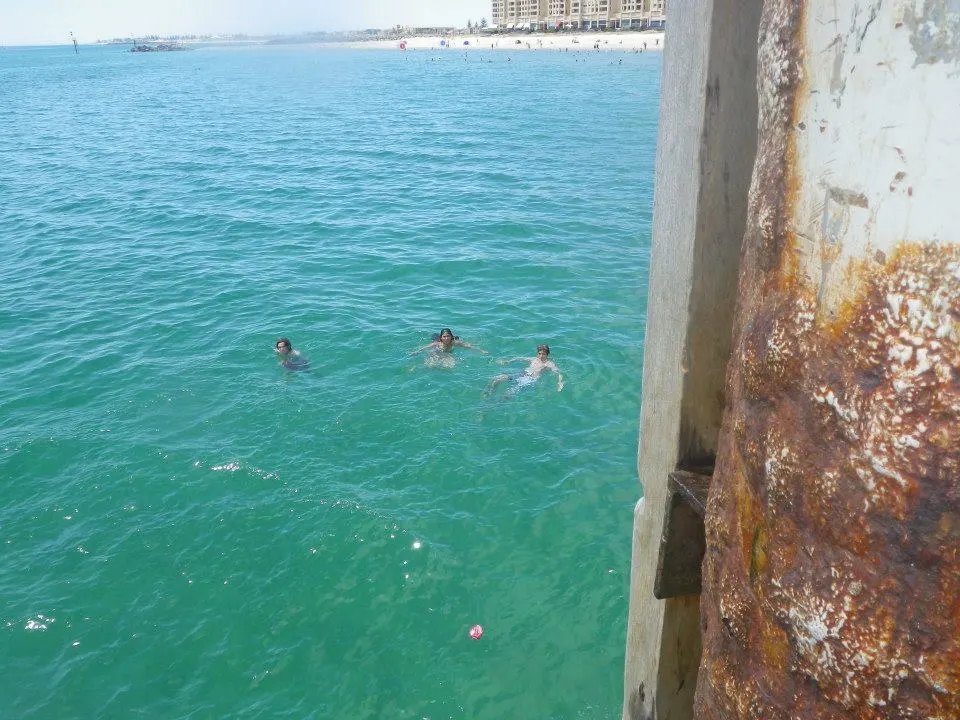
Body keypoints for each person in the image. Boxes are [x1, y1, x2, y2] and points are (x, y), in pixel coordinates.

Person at [485, 344, 564, 396]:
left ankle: (495, 405)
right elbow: (519, 358)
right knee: (496, 379)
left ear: (547, 354)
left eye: (543, 354)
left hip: (530, 379)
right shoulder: (534, 359)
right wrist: (508, 361)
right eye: (539, 353)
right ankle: (490, 393)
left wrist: (560, 383)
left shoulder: (549, 364)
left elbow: (558, 373)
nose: (541, 356)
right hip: (521, 374)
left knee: (507, 394)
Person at [409, 328, 487, 367]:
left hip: (448, 352)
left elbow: (469, 346)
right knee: (431, 365)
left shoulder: (455, 343)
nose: (446, 338)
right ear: (441, 337)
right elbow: (424, 348)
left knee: (450, 366)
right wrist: (416, 352)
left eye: (448, 336)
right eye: (444, 336)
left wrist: (481, 351)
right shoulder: (437, 343)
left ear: (451, 336)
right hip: (438, 351)